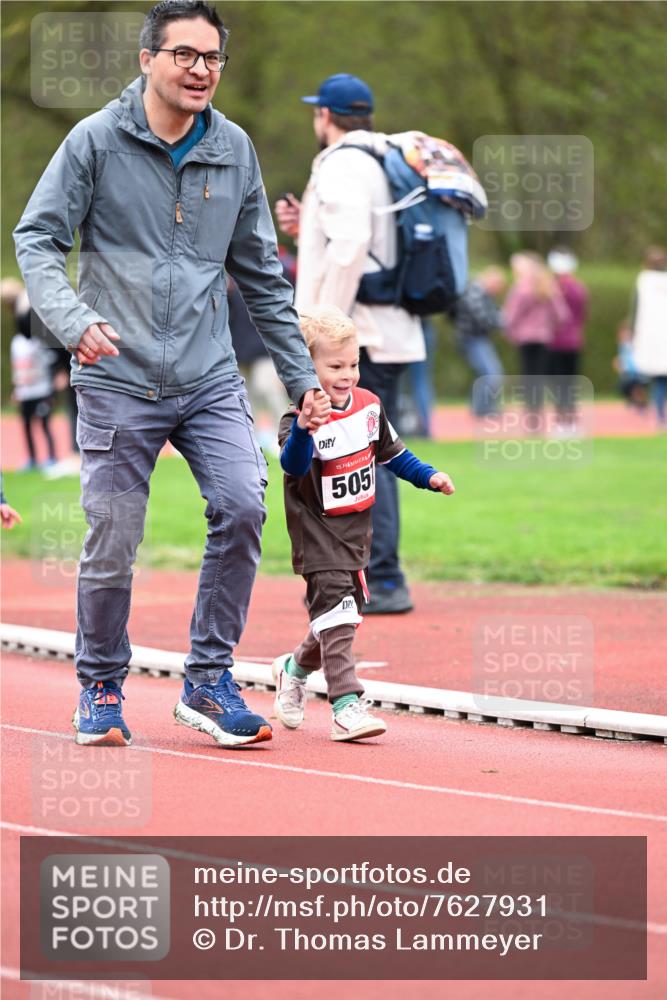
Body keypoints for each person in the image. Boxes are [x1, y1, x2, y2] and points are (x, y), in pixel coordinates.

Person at [14, 0, 328, 749]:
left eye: (212, 58)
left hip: (208, 376)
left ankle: (208, 682)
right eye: (184, 55)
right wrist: (72, 320)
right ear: (147, 59)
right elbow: (36, 238)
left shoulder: (234, 149)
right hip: (116, 377)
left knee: (243, 505)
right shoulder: (94, 141)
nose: (200, 70)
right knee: (114, 534)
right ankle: (98, 685)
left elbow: (260, 273)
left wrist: (300, 378)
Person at [274, 73, 426, 615]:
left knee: (360, 452)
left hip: (359, 339)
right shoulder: (384, 158)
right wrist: (303, 230)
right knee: (367, 450)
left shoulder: (340, 163)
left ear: (326, 116)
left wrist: (323, 324)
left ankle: (380, 577)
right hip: (391, 330)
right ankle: (376, 574)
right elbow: (361, 239)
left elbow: (354, 243)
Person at [273, 307, 455, 741]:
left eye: (352, 364)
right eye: (335, 366)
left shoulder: (370, 405)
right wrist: (303, 428)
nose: (347, 374)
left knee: (338, 617)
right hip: (317, 536)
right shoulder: (297, 420)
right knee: (339, 614)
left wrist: (428, 476)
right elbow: (293, 466)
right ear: (306, 367)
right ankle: (346, 703)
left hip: (358, 534)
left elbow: (392, 454)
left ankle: (293, 669)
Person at [503, 251, 570, 425]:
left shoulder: (521, 288)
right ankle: (547, 412)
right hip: (543, 337)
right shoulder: (548, 286)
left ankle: (532, 417)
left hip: (525, 338)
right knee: (540, 377)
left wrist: (509, 331)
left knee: (528, 377)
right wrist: (550, 327)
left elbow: (512, 314)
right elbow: (562, 315)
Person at [3, 281, 58, 471]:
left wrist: (54, 379)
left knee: (44, 424)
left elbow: (50, 358)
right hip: (25, 391)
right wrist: (17, 389)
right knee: (26, 426)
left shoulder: (38, 342)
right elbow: (17, 368)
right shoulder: (16, 343)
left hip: (41, 388)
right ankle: (32, 459)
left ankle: (51, 457)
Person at [453, 266, 506, 418]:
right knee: (491, 373)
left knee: (488, 373)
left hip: (478, 338)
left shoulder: (483, 294)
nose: (497, 291)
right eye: (497, 286)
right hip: (472, 339)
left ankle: (483, 407)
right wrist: (503, 323)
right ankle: (483, 409)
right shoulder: (475, 292)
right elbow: (483, 318)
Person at [546, 247, 588, 434]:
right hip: (573, 341)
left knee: (559, 384)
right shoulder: (578, 287)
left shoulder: (553, 288)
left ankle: (562, 422)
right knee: (569, 384)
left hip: (556, 342)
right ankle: (570, 422)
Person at [630, 246, 667, 429]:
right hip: (657, 337)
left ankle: (657, 415)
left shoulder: (643, 280)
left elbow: (635, 310)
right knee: (660, 380)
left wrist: (632, 332)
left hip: (650, 338)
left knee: (654, 379)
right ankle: (656, 413)